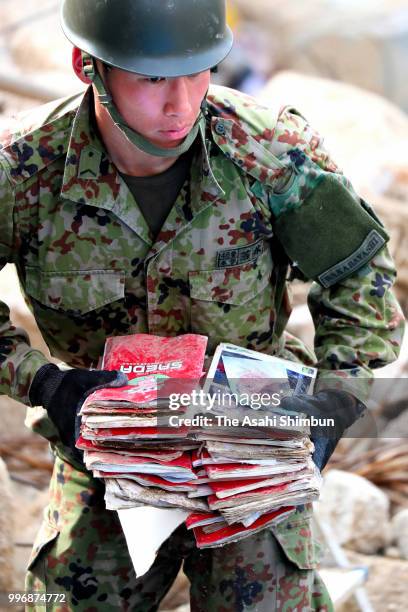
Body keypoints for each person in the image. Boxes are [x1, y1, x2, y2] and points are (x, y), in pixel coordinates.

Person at [0, 0, 404, 610]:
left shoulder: (270, 154)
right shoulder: (24, 171)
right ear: (88, 66)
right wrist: (45, 383)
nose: (181, 104)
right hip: (105, 457)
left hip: (252, 448)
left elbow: (358, 273)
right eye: (154, 78)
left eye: (200, 71)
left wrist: (337, 398)